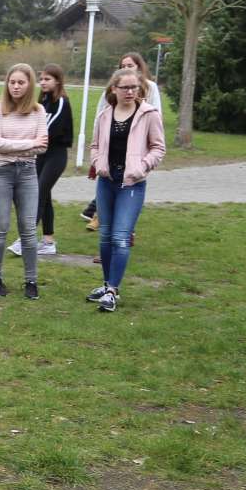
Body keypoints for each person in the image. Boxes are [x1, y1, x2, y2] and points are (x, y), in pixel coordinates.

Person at [85, 66, 165, 313]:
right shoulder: (104, 116)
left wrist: (141, 168)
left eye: (135, 87)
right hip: (107, 182)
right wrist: (98, 163)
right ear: (114, 89)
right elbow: (95, 145)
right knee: (106, 235)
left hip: (132, 184)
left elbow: (158, 148)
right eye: (125, 87)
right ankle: (107, 283)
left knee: (121, 237)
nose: (130, 92)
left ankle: (112, 291)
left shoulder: (148, 114)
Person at [0, 63, 47, 299]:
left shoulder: (38, 111)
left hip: (28, 173)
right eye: (12, 82)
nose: (16, 87)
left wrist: (21, 147)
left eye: (21, 82)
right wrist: (29, 144)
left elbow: (43, 147)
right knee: (0, 228)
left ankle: (31, 281)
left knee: (29, 230)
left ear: (30, 84)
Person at [83, 52, 162, 231]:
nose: (126, 68)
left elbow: (157, 120)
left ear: (139, 68)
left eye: (130, 65)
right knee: (108, 227)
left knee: (122, 227)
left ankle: (124, 232)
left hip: (135, 156)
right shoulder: (112, 91)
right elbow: (100, 117)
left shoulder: (150, 88)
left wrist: (143, 164)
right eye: (123, 66)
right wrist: (97, 157)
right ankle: (100, 219)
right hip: (111, 155)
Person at [8, 63, 71, 258]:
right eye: (41, 78)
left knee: (38, 193)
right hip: (41, 154)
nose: (42, 82)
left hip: (56, 155)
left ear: (58, 81)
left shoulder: (61, 102)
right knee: (45, 196)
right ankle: (48, 242)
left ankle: (25, 240)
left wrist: (28, 140)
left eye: (47, 79)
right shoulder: (43, 100)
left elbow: (47, 130)